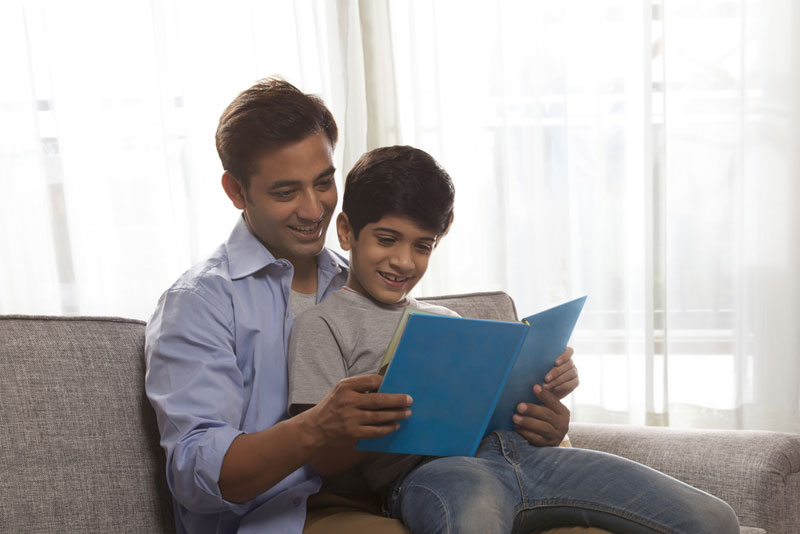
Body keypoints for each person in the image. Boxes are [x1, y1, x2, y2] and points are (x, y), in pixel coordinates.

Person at [144, 78, 575, 534]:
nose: (314, 211)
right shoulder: (198, 303)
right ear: (236, 191)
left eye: (324, 182)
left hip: (396, 494)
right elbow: (193, 474)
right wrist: (316, 427)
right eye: (286, 192)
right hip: (282, 517)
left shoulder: (366, 279)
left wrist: (540, 421)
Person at [287, 145, 741, 534]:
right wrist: (391, 393)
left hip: (525, 455)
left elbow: (501, 413)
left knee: (714, 518)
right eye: (387, 239)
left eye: (423, 245)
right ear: (347, 231)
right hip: (433, 472)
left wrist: (547, 400)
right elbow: (322, 459)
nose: (404, 260)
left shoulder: (448, 319)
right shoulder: (322, 326)